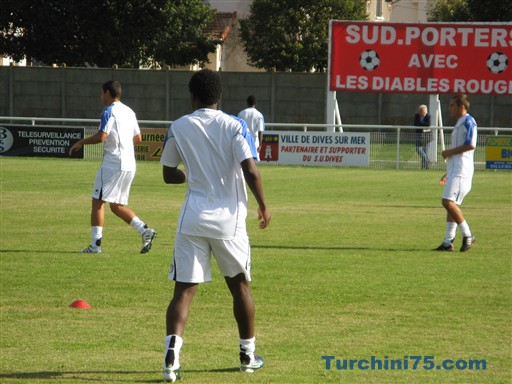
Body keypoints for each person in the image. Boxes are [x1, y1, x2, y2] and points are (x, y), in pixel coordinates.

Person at [159, 69, 271, 382]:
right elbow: (250, 168)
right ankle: (247, 356)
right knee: (239, 287)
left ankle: (171, 356)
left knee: (183, 290)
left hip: (192, 219)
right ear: (219, 97)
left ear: (192, 96)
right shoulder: (235, 125)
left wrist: (187, 176)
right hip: (229, 222)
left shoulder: (179, 126)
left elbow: (168, 173)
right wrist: (262, 205)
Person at [69, 80, 156, 254]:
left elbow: (102, 136)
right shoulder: (129, 111)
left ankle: (95, 246)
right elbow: (138, 137)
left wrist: (81, 142)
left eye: (102, 93)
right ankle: (145, 230)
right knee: (116, 206)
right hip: (129, 163)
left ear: (108, 92)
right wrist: (123, 145)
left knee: (97, 201)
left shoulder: (109, 111)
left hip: (113, 163)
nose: (101, 96)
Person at [435, 94, 477, 252]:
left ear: (461, 107)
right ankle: (447, 242)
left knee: (447, 202)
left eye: (452, 105)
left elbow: (470, 145)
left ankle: (468, 234)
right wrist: (448, 173)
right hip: (455, 170)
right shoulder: (460, 123)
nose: (449, 108)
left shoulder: (468, 121)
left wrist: (449, 152)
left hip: (462, 171)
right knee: (451, 204)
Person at [238, 95, 265, 160]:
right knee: (253, 163)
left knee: (243, 161)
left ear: (247, 103)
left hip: (243, 140)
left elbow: (237, 129)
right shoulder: (259, 115)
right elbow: (260, 131)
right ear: (255, 103)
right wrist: (260, 145)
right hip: (254, 142)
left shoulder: (241, 114)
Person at [414, 104, 432, 169]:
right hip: (419, 135)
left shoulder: (428, 116)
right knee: (418, 149)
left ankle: (425, 167)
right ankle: (428, 161)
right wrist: (423, 123)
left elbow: (428, 124)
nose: (420, 113)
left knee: (425, 151)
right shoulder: (417, 115)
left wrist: (420, 123)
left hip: (427, 136)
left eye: (421, 112)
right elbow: (415, 124)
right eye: (419, 111)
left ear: (425, 111)